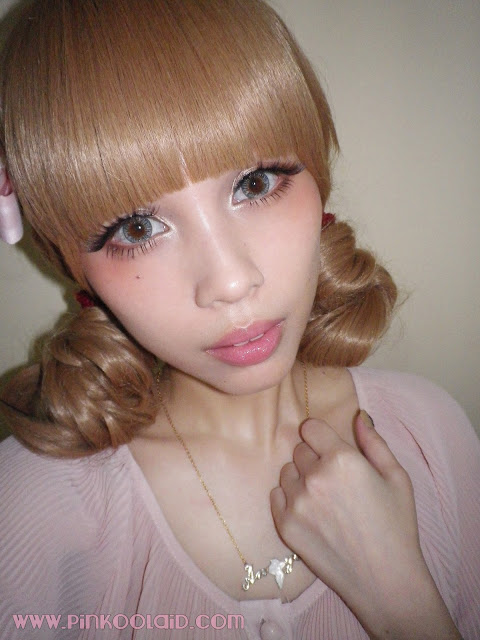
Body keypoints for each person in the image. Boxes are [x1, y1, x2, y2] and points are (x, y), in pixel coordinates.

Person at [0, 0, 479, 638]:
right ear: (71, 265)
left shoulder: (432, 435)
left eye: (254, 184)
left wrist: (403, 599)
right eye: (138, 228)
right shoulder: (29, 509)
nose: (231, 282)